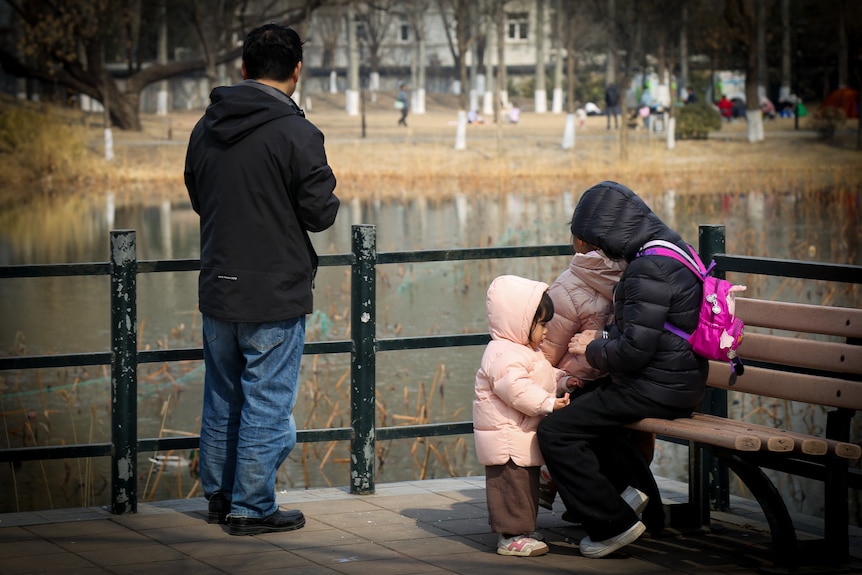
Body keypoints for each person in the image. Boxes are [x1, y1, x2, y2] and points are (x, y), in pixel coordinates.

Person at [184, 23, 340, 536]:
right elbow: (319, 213)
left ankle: (221, 495)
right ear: (296, 70)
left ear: (244, 68)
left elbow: (198, 195)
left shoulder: (205, 127)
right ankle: (251, 508)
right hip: (274, 288)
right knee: (268, 398)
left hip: (218, 280)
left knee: (223, 392)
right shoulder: (297, 132)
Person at [537, 180, 709, 559]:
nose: (596, 249)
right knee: (586, 411)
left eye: (595, 240)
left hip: (656, 386)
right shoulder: (669, 249)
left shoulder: (648, 268)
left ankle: (612, 525)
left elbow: (633, 351)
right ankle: (633, 498)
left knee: (556, 430)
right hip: (676, 379)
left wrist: (591, 348)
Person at [474, 275, 572, 557]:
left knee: (524, 486)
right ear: (518, 322)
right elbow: (515, 389)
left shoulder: (525, 351)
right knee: (510, 487)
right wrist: (548, 403)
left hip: (519, 435)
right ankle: (511, 537)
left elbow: (540, 376)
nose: (546, 330)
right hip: (506, 437)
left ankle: (521, 530)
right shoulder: (503, 354)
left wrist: (564, 381)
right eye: (541, 323)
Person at [537, 236, 626, 511]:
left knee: (554, 426)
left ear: (579, 242)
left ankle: (553, 481)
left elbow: (546, 352)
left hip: (578, 385)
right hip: (623, 381)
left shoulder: (568, 286)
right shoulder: (637, 275)